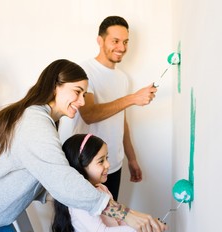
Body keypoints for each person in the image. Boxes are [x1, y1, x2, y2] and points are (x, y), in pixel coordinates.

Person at [0, 59, 165, 232]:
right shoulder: (34, 123)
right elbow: (62, 180)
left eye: (84, 93)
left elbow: (49, 180)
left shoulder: (46, 122)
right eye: (77, 92)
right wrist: (129, 216)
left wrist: (133, 226)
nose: (82, 101)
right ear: (55, 87)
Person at [59, 16, 157, 201]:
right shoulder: (84, 71)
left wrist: (132, 158)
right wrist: (133, 98)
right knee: (87, 225)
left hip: (113, 165)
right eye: (115, 41)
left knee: (111, 222)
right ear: (100, 40)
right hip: (87, 165)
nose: (122, 47)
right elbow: (89, 114)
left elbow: (122, 121)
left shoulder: (122, 78)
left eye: (126, 42)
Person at [49, 134, 160, 232]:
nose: (108, 164)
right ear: (81, 165)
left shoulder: (103, 189)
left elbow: (119, 221)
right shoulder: (78, 201)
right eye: (101, 161)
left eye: (106, 158)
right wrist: (140, 228)